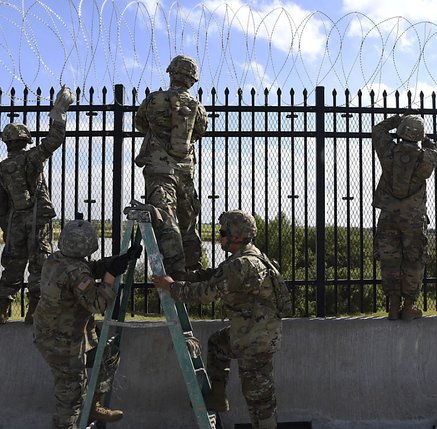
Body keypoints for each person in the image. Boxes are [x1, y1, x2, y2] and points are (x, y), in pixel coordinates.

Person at [153, 210, 292, 429]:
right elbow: (216, 275)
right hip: (249, 333)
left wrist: (172, 287)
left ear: (236, 236)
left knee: (259, 399)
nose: (220, 237)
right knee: (218, 343)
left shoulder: (242, 264)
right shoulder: (248, 256)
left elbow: (208, 293)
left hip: (254, 342)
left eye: (223, 232)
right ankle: (217, 397)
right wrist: (186, 278)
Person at [33, 218, 142, 429]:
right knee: (71, 397)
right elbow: (97, 303)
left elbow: (88, 269)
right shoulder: (77, 273)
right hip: (61, 344)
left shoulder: (55, 260)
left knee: (108, 354)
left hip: (63, 335)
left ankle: (93, 405)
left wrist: (119, 260)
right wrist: (110, 276)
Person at [0, 86, 74, 324]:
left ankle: (2, 308)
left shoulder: (2, 168)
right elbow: (54, 141)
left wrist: (6, 224)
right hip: (35, 218)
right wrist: (59, 112)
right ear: (24, 140)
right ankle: (34, 310)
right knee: (39, 263)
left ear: (7, 142)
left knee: (12, 263)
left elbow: (1, 204)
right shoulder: (32, 157)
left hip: (14, 220)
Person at [134, 54, 208, 278]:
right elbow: (199, 133)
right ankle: (192, 267)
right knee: (188, 220)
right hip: (185, 171)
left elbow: (140, 124)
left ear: (172, 73)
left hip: (158, 170)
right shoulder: (198, 108)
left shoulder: (154, 99)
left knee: (165, 217)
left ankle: (173, 271)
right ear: (192, 80)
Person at [372, 114, 437, 321]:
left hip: (389, 214)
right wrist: (425, 137)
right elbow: (435, 152)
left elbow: (378, 130)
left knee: (389, 258)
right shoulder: (427, 158)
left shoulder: (388, 152)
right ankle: (409, 306)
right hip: (413, 217)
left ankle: (393, 305)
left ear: (401, 132)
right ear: (419, 135)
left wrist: (398, 119)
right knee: (414, 260)